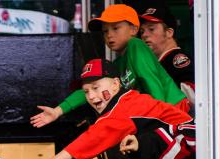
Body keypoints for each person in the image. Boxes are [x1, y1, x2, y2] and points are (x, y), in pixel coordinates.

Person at [26, 59, 195, 159]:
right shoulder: (124, 100)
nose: (91, 96)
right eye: (86, 92)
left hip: (192, 146)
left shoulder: (122, 109)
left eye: (96, 87)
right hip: (185, 146)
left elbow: (89, 139)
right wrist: (58, 111)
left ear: (115, 84)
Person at [30, 4, 188, 131]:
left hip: (171, 109)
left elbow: (151, 80)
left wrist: (160, 120)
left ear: (133, 30)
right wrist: (58, 110)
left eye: (116, 28)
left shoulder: (136, 45)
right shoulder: (119, 64)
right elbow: (91, 88)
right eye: (105, 31)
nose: (109, 35)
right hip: (162, 114)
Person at [140, 6, 194, 89]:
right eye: (142, 31)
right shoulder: (159, 62)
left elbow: (193, 96)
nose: (144, 35)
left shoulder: (177, 60)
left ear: (169, 33)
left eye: (151, 29)